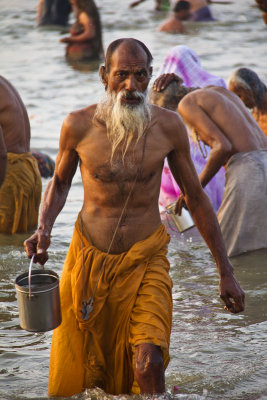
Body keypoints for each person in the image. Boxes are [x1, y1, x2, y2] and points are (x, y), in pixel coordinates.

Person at [24, 38, 244, 397]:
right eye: (121, 75)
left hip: (148, 258)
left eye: (140, 75)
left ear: (149, 76)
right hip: (89, 260)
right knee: (91, 372)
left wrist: (226, 272)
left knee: (148, 363)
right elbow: (60, 183)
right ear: (103, 76)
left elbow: (196, 199)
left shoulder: (168, 127)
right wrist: (43, 229)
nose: (130, 86)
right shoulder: (78, 125)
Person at [153, 74, 267, 257]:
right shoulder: (217, 91)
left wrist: (194, 189)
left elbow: (222, 146)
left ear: (171, 108)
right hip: (263, 162)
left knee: (223, 253)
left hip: (248, 170)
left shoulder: (186, 104)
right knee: (255, 249)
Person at [156, 45, 226, 213]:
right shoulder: (212, 91)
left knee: (177, 219)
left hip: (169, 172)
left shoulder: (156, 94)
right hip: (208, 167)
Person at [0, 76, 42, 235]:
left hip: (6, 174)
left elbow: (1, 154)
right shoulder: (3, 82)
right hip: (28, 169)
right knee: (19, 245)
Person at [60, 0, 103, 65]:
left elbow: (90, 33)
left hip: (83, 55)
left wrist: (70, 39)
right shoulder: (84, 14)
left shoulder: (84, 15)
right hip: (84, 55)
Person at [228, 67, 267, 137]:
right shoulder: (253, 116)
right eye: (235, 98)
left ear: (253, 87)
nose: (238, 102)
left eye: (239, 96)